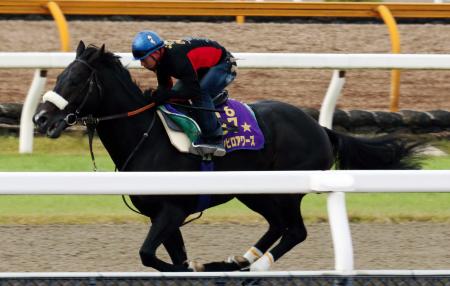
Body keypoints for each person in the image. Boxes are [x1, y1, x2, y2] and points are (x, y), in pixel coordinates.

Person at [131, 30, 237, 155]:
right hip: (203, 69)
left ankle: (214, 139)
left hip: (224, 64)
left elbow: (193, 91)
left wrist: (167, 94)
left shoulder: (177, 59)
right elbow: (165, 88)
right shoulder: (160, 61)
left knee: (201, 93)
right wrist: (156, 97)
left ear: (156, 53)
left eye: (143, 59)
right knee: (174, 95)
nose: (142, 64)